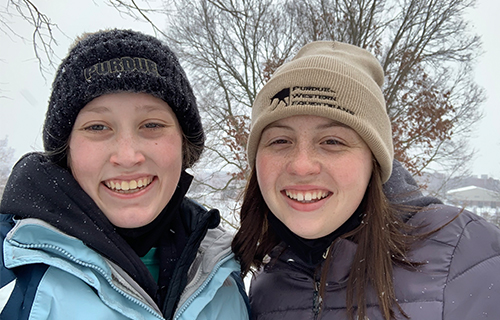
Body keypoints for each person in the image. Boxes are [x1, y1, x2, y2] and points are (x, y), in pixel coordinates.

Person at [231, 41, 500, 319]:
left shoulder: (466, 258)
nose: (301, 165)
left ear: (374, 160)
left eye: (332, 141)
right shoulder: (266, 282)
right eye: (280, 140)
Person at [0, 29, 249, 320]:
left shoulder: (224, 271)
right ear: (66, 149)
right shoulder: (13, 269)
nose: (128, 156)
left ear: (184, 144)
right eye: (97, 127)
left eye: (152, 125)